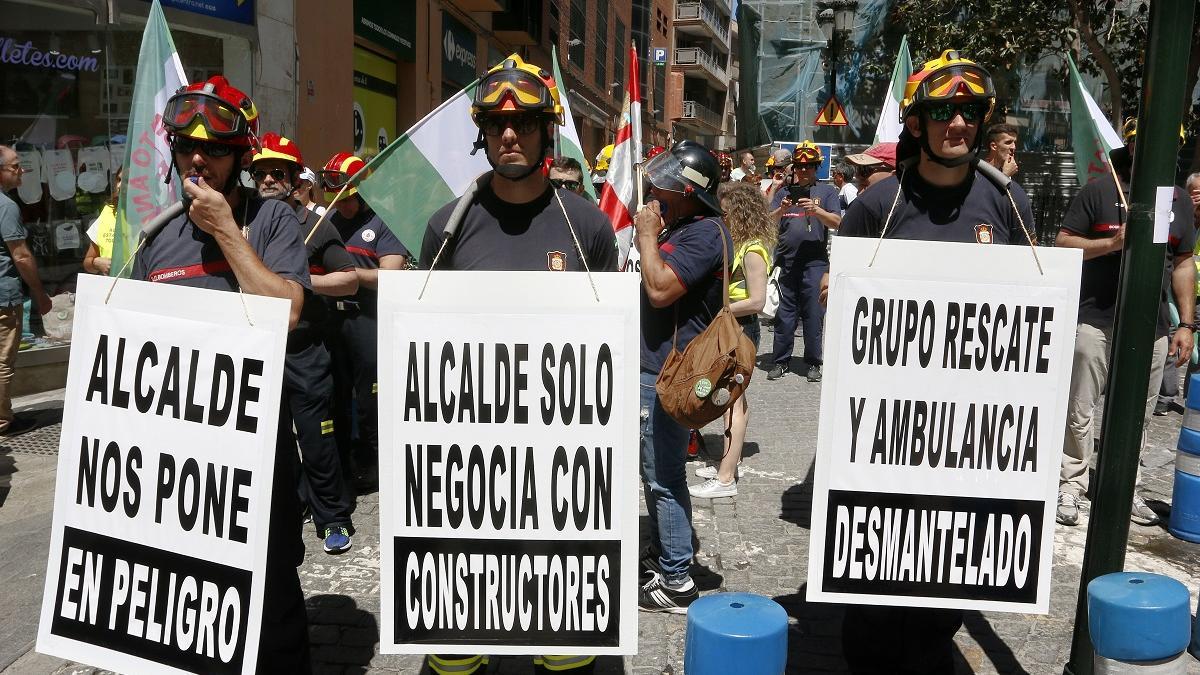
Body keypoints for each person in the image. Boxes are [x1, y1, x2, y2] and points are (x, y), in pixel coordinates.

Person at [834, 49, 1035, 675]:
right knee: (872, 585)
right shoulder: (877, 206)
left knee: (944, 579)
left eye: (970, 113)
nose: (958, 125)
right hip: (883, 431)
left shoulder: (1008, 204)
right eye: (943, 111)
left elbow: (1033, 306)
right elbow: (843, 304)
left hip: (967, 436)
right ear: (917, 123)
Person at [420, 53, 617, 675]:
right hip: (469, 463)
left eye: (526, 123)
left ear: (546, 132)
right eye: (498, 125)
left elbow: (604, 344)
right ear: (481, 134)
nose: (511, 134)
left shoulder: (586, 226)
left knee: (562, 647)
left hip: (560, 460)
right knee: (461, 644)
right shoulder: (444, 229)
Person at [132, 75, 311, 672]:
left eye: (214, 149)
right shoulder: (156, 236)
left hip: (258, 455)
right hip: (180, 461)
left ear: (242, 154)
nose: (199, 160)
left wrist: (227, 233)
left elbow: (285, 310)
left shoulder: (272, 221)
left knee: (273, 606)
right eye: (187, 149)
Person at [1055, 117, 1194, 527]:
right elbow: (1064, 244)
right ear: (1130, 147)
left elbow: (1183, 262)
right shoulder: (1100, 190)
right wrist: (1112, 243)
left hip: (1150, 327)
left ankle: (1124, 487)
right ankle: (1072, 484)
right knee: (1080, 408)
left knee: (1141, 414)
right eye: (1144, 142)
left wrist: (1186, 323)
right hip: (1095, 320)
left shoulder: (1178, 201)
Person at [634, 139, 730, 613]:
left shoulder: (703, 233)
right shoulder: (690, 225)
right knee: (655, 469)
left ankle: (676, 578)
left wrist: (648, 236)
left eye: (665, 186)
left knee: (664, 475)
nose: (655, 192)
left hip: (670, 374)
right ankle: (665, 553)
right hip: (660, 368)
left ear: (689, 192)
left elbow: (659, 290)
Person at [251, 133, 359, 554]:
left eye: (277, 172)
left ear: (295, 178)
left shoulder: (317, 222)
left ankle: (334, 517)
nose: (267, 180)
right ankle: (289, 507)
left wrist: (296, 283)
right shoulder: (247, 220)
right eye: (259, 173)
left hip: (306, 349)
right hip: (261, 348)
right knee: (271, 441)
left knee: (316, 436)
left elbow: (349, 278)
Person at [320, 152, 410, 493]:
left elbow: (391, 275)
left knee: (371, 395)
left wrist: (349, 276)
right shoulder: (328, 221)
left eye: (348, 199)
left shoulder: (383, 223)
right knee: (335, 395)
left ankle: (377, 464)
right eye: (337, 200)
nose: (342, 206)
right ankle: (344, 462)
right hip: (333, 319)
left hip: (367, 319)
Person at [690, 181, 774, 499]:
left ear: (738, 212)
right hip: (732, 327)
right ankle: (730, 463)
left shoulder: (753, 250)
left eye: (724, 212)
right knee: (736, 400)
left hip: (741, 329)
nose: (719, 216)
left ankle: (725, 479)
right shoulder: (739, 244)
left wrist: (720, 310)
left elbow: (757, 301)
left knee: (731, 402)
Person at [765, 141, 840, 382]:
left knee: (813, 313)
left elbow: (838, 223)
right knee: (785, 315)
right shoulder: (785, 194)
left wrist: (816, 212)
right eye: (799, 166)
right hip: (787, 262)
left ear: (817, 167)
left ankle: (813, 362)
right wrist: (781, 208)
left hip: (815, 263)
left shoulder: (827, 192)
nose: (803, 170)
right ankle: (780, 361)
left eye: (808, 166)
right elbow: (769, 223)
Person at [0, 145, 51, 436]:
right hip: (3, 298)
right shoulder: (6, 207)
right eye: (15, 166)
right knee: (3, 362)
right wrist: (39, 293)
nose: (21, 171)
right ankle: (3, 421)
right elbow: (20, 255)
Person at [83, 165, 121, 275]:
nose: (119, 185)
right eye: (118, 180)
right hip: (112, 287)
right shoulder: (108, 213)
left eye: (127, 180)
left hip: (142, 286)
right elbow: (87, 263)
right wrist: (96, 262)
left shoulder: (150, 215)